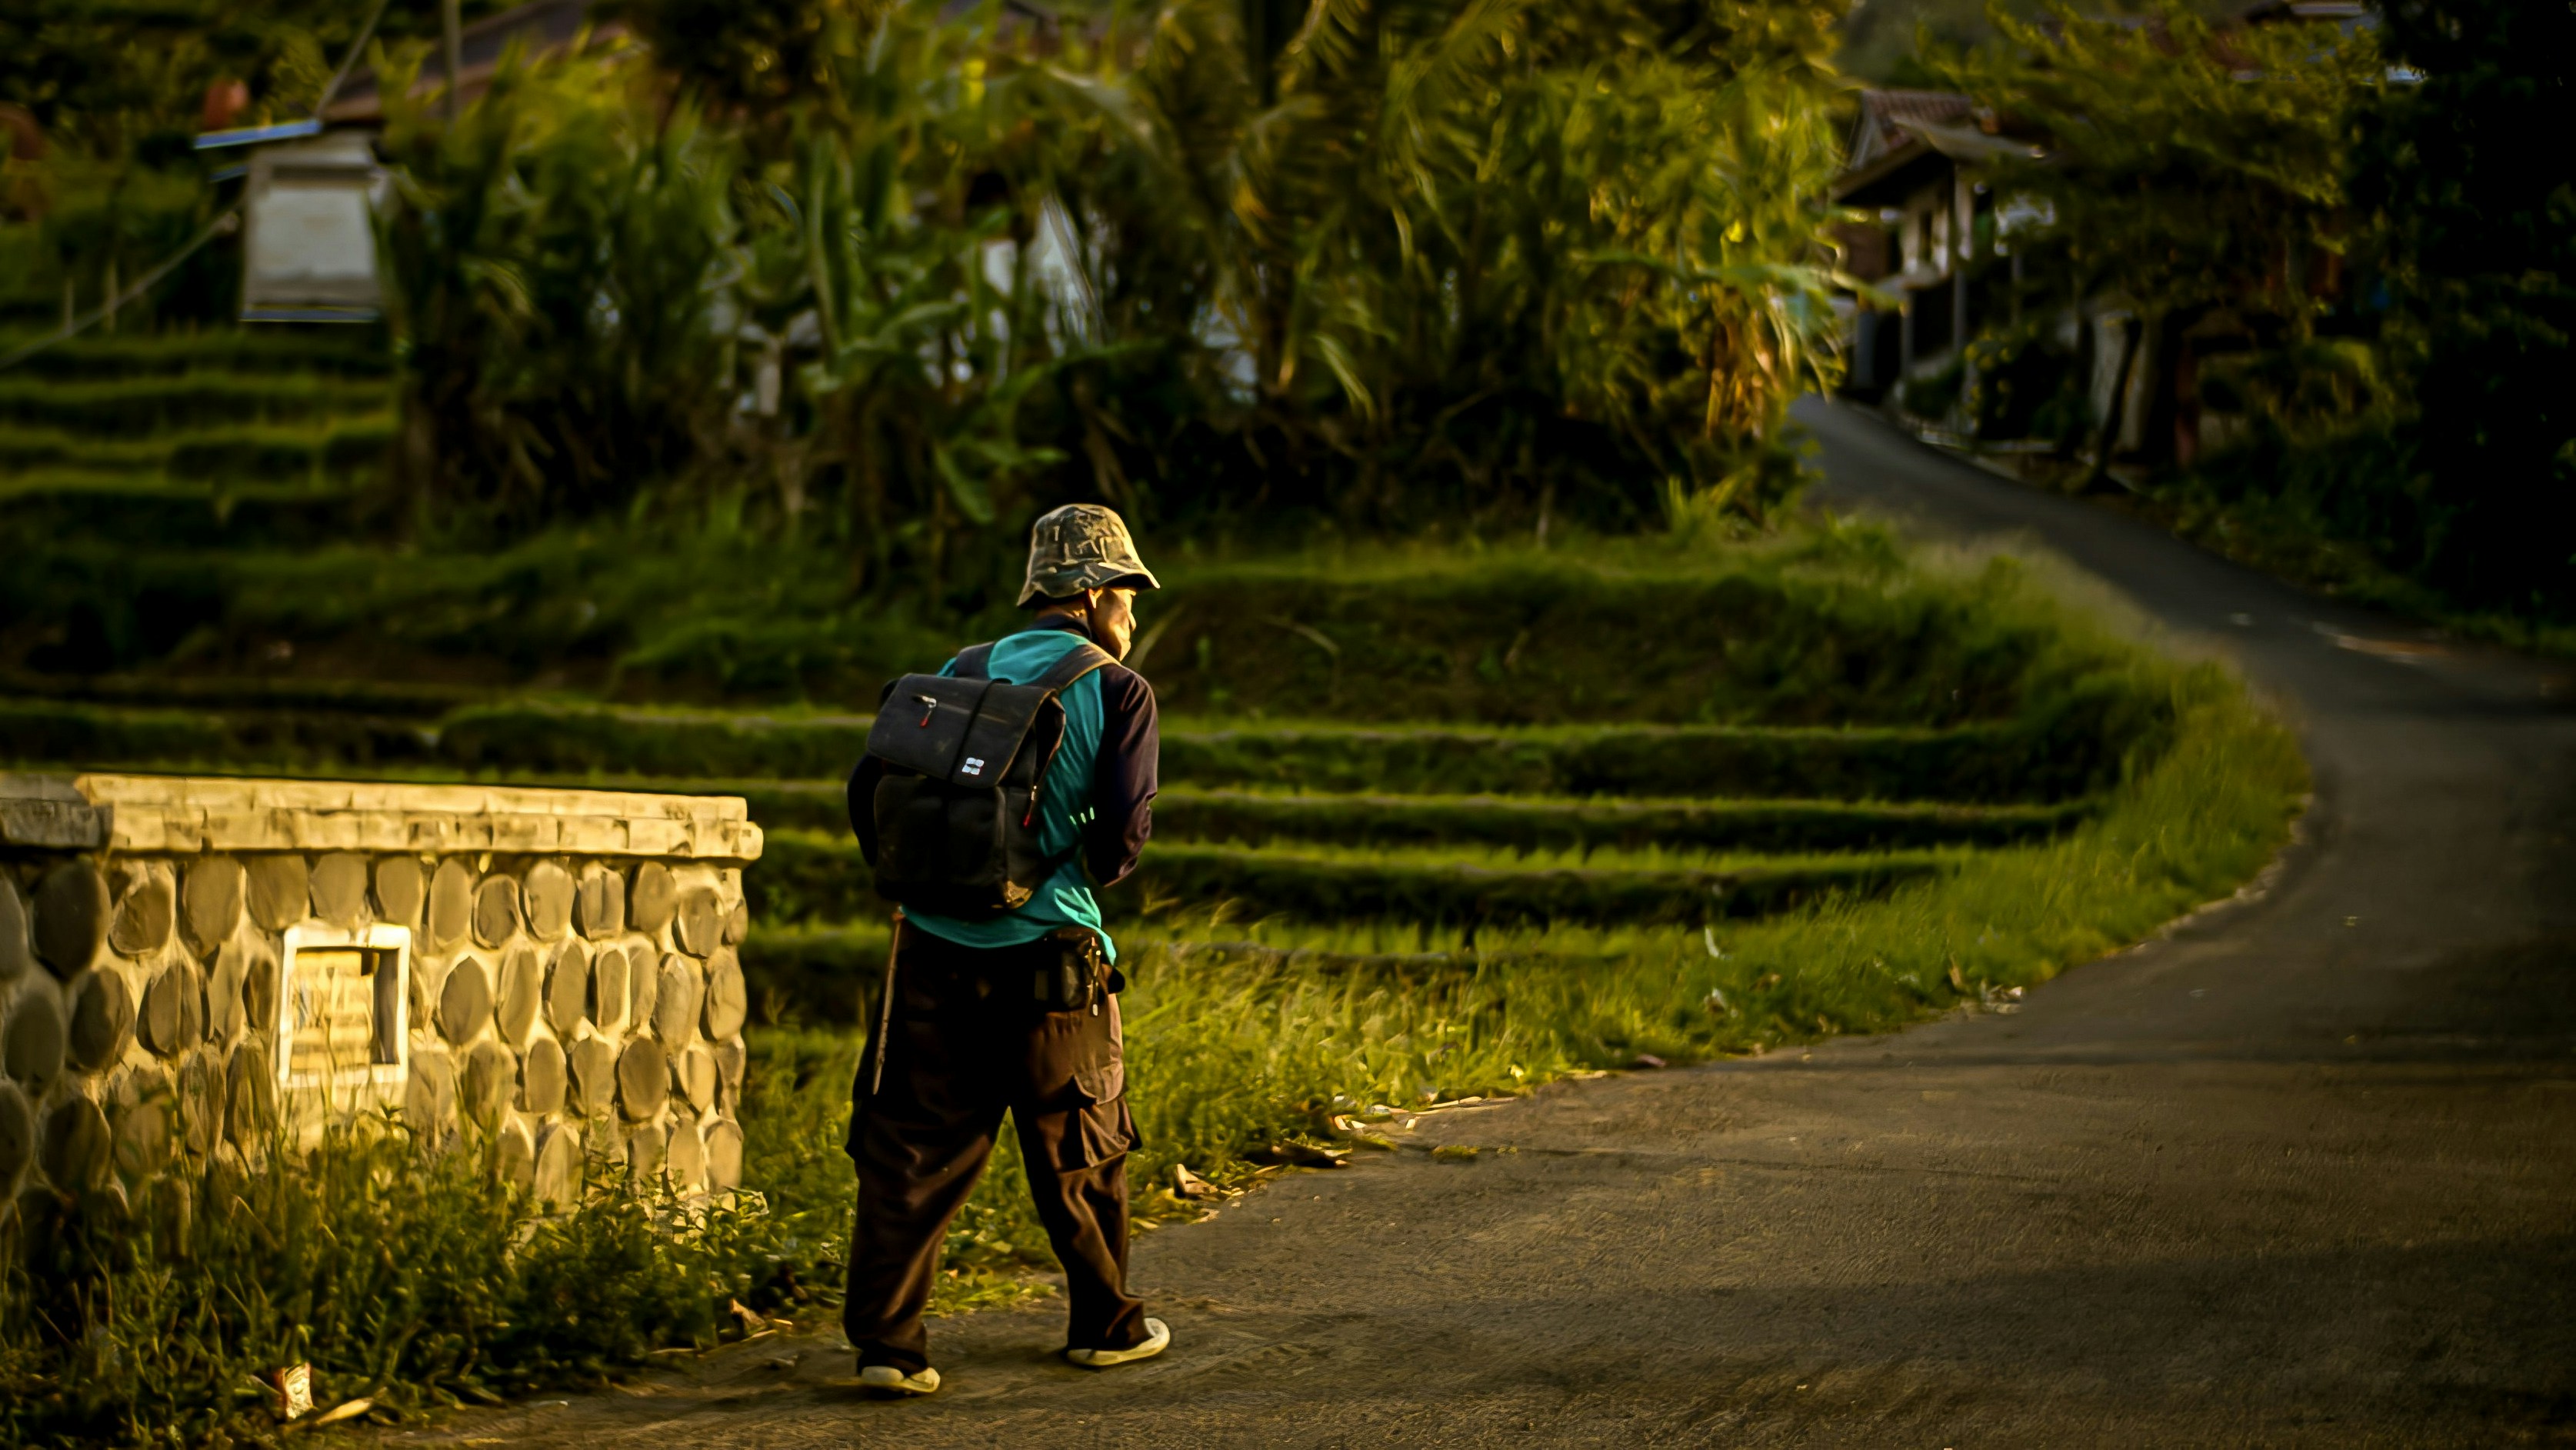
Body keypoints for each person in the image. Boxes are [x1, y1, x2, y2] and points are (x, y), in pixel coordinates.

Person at [842, 503, 1170, 1397]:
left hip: (931, 946)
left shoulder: (956, 672)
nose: (1131, 617)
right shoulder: (1116, 689)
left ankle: (889, 1347)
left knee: (912, 1145)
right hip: (1053, 954)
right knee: (1078, 1140)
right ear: (1096, 593)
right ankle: (1104, 1326)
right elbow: (1121, 845)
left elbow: (871, 792)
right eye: (1127, 598)